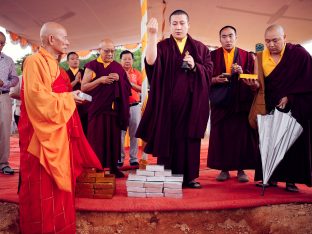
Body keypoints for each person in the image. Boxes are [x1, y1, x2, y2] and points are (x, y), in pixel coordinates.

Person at [19, 22, 102, 233]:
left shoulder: (58, 68)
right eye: (64, 37)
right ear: (51, 39)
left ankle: (61, 227)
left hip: (59, 133)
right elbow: (37, 99)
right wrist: (69, 97)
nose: (68, 41)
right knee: (41, 187)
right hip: (40, 137)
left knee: (60, 189)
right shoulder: (33, 62)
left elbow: (59, 96)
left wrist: (73, 99)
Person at [136, 10, 213, 188]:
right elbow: (151, 62)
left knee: (190, 141)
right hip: (168, 106)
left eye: (182, 23)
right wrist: (152, 35)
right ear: (170, 25)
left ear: (188, 25)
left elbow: (209, 72)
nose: (178, 27)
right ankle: (167, 176)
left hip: (192, 105)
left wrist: (196, 66)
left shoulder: (200, 48)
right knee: (168, 139)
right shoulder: (162, 46)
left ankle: (190, 177)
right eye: (175, 23)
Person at [249, 24, 312, 192]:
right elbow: (259, 83)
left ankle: (291, 180)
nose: (271, 45)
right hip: (270, 105)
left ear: (285, 37)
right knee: (269, 142)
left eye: (275, 40)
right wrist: (253, 85)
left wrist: (290, 97)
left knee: (292, 143)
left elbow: (308, 82)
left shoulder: (299, 55)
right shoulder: (261, 56)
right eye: (267, 41)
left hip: (294, 107)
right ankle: (270, 178)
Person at [207, 26, 258, 183]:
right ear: (219, 39)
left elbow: (254, 79)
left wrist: (241, 72)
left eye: (230, 36)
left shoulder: (247, 56)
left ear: (236, 37)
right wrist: (216, 79)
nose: (228, 40)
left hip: (240, 103)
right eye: (224, 36)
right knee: (221, 135)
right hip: (220, 103)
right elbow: (204, 77)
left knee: (241, 137)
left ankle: (241, 169)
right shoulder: (212, 55)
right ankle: (224, 169)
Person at [81, 39, 130, 178]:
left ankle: (113, 167)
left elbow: (127, 88)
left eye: (112, 51)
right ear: (99, 50)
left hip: (113, 110)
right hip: (97, 109)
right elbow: (83, 87)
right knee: (96, 139)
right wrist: (99, 80)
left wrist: (120, 80)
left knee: (113, 140)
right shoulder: (92, 66)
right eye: (106, 51)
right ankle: (97, 167)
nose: (110, 54)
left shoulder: (118, 67)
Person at [118, 50, 142, 167]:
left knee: (134, 134)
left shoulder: (137, 73)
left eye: (129, 59)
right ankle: (119, 158)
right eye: (125, 59)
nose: (127, 61)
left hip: (135, 106)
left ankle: (133, 158)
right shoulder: (116, 73)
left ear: (133, 60)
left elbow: (141, 89)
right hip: (120, 107)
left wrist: (129, 82)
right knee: (120, 134)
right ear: (120, 60)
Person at [0, 31, 19, 175]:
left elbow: (15, 79)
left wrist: (4, 83)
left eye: (2, 43)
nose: (0, 45)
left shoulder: (8, 60)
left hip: (3, 97)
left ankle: (3, 163)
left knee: (4, 130)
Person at [66, 51, 88, 135]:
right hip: (71, 104)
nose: (75, 61)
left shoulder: (85, 72)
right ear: (68, 61)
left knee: (85, 128)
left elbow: (89, 87)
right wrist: (75, 81)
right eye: (72, 59)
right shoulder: (65, 73)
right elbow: (65, 88)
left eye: (77, 59)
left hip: (84, 105)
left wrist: (82, 82)